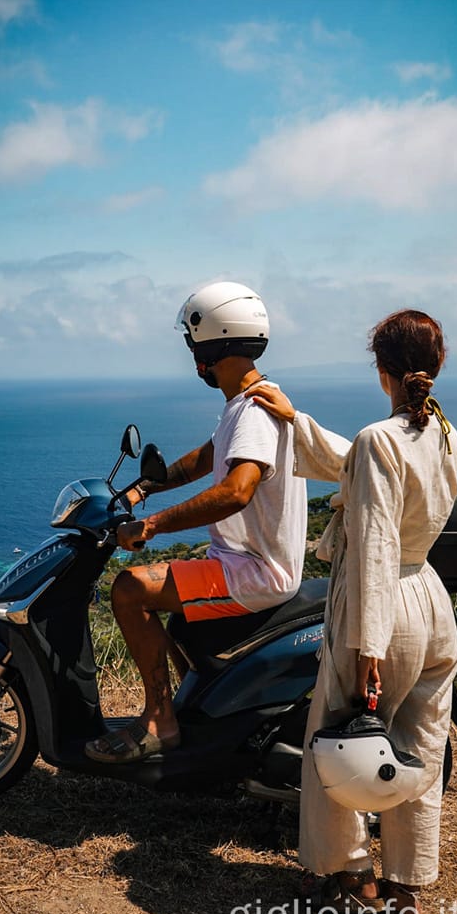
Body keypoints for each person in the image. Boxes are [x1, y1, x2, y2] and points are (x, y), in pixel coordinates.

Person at [246, 309, 457, 914]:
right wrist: (299, 423)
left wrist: (366, 646)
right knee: (421, 744)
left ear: (382, 371)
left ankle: (348, 869)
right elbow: (367, 469)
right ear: (434, 367)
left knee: (337, 739)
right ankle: (407, 882)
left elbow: (370, 539)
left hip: (381, 605)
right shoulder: (444, 433)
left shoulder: (378, 440)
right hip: (429, 598)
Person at [85, 281, 307, 764]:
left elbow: (235, 491)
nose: (193, 359)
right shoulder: (247, 403)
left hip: (254, 573)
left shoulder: (253, 412)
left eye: (195, 346)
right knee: (173, 613)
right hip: (244, 563)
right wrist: (145, 488)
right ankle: (199, 715)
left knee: (129, 589)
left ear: (214, 345)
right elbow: (207, 458)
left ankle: (159, 722)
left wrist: (151, 525)